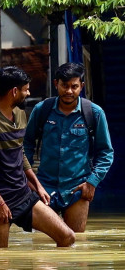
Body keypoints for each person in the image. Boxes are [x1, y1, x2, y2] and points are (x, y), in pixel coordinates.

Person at [0, 66, 76, 248]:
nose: (28, 93)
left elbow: (20, 154)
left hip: (24, 196)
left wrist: (38, 186)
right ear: (14, 91)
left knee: (67, 237)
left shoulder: (20, 115)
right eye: (26, 89)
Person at [23, 63, 114, 232]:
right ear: (56, 84)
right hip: (44, 188)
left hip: (78, 189)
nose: (69, 91)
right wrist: (27, 179)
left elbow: (106, 153)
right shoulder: (42, 110)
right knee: (42, 248)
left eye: (74, 86)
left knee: (76, 243)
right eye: (64, 86)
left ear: (82, 86)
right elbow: (26, 145)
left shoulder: (94, 113)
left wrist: (92, 182)